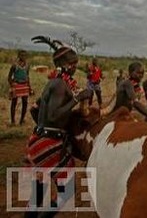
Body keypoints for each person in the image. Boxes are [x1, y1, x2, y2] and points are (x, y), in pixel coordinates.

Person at [25, 36, 93, 217]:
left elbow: (35, 110)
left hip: (38, 142)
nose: (76, 66)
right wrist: (77, 99)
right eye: (74, 63)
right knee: (67, 191)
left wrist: (42, 130)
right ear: (65, 64)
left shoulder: (53, 83)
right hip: (50, 146)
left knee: (38, 193)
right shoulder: (61, 85)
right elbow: (54, 116)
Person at [8, 50, 32, 125]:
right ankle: (12, 121)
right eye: (21, 55)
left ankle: (21, 121)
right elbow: (9, 77)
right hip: (16, 85)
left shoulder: (27, 65)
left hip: (24, 85)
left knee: (25, 102)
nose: (23, 57)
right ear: (19, 56)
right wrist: (12, 86)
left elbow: (27, 76)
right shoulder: (14, 65)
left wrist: (30, 87)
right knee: (14, 102)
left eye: (24, 55)